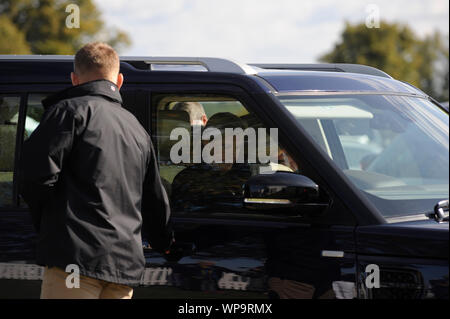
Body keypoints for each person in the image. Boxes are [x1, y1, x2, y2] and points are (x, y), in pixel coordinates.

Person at [19, 42, 173, 299]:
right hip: (123, 269)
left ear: (74, 79)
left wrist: (52, 226)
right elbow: (155, 200)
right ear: (120, 80)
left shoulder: (67, 112)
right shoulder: (137, 130)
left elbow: (35, 178)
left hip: (74, 263)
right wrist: (165, 244)